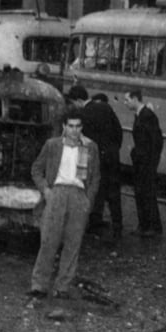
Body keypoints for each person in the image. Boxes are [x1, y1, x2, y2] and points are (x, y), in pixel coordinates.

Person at [28, 107, 101, 298]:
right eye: (71, 126)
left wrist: (88, 200)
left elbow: (95, 177)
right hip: (56, 193)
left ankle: (63, 286)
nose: (74, 130)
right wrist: (45, 190)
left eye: (78, 126)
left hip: (78, 194)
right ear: (64, 126)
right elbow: (36, 169)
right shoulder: (52, 145)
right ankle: (39, 284)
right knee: (48, 241)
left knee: (73, 243)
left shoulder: (89, 147)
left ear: (82, 127)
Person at [67, 86, 123, 239]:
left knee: (96, 191)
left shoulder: (82, 115)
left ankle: (95, 223)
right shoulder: (105, 107)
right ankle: (118, 225)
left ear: (79, 100)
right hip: (112, 156)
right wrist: (113, 150)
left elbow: (83, 142)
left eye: (73, 103)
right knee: (113, 192)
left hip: (95, 159)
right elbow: (118, 132)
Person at [124, 88, 163, 238]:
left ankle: (149, 226)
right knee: (143, 194)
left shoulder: (146, 116)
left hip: (145, 163)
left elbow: (155, 141)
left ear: (135, 99)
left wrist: (147, 160)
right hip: (143, 162)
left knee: (145, 194)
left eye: (127, 100)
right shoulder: (142, 114)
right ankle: (147, 225)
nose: (125, 103)